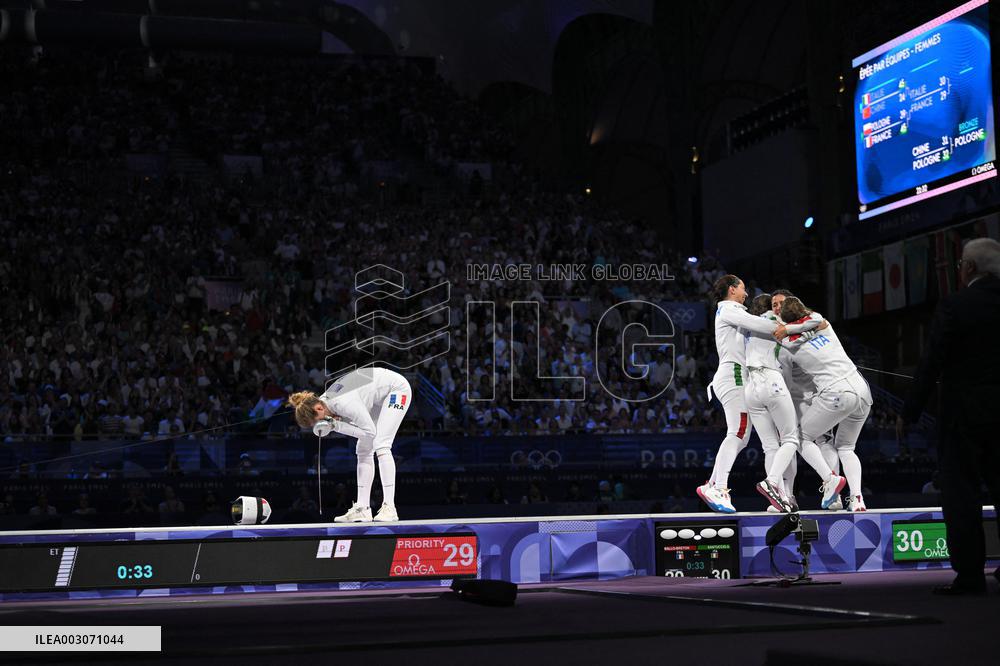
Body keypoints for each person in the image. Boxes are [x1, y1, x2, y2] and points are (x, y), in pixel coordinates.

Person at [899, 237, 1000, 596]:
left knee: (962, 495)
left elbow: (931, 363)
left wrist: (909, 411)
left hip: (964, 416)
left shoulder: (956, 305)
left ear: (969, 268)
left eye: (960, 265)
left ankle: (971, 577)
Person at [698, 275, 820, 513]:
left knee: (744, 437)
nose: (746, 294)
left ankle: (714, 484)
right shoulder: (729, 309)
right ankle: (719, 486)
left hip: (740, 378)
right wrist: (787, 326)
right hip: (734, 374)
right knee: (739, 433)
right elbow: (765, 325)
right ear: (732, 290)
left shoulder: (735, 313)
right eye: (743, 289)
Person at [743, 294, 845, 512]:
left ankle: (831, 492)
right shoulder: (775, 325)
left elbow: (817, 322)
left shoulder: (783, 326)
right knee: (788, 442)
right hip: (780, 392)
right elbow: (817, 322)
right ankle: (786, 495)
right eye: (774, 304)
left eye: (782, 304)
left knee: (806, 442)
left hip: (807, 395)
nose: (778, 308)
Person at [780, 297, 870, 512]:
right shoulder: (824, 326)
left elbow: (782, 338)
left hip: (837, 393)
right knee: (847, 447)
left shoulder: (787, 344)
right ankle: (857, 498)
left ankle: (830, 479)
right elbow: (816, 319)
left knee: (801, 437)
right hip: (862, 390)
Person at [288, 366, 411, 523]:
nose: (321, 424)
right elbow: (361, 430)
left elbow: (369, 432)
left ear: (319, 408)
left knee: (381, 443)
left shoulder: (343, 402)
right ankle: (363, 508)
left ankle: (390, 508)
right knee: (363, 449)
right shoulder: (325, 403)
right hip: (377, 396)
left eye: (318, 421)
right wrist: (335, 423)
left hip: (396, 389)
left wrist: (336, 425)